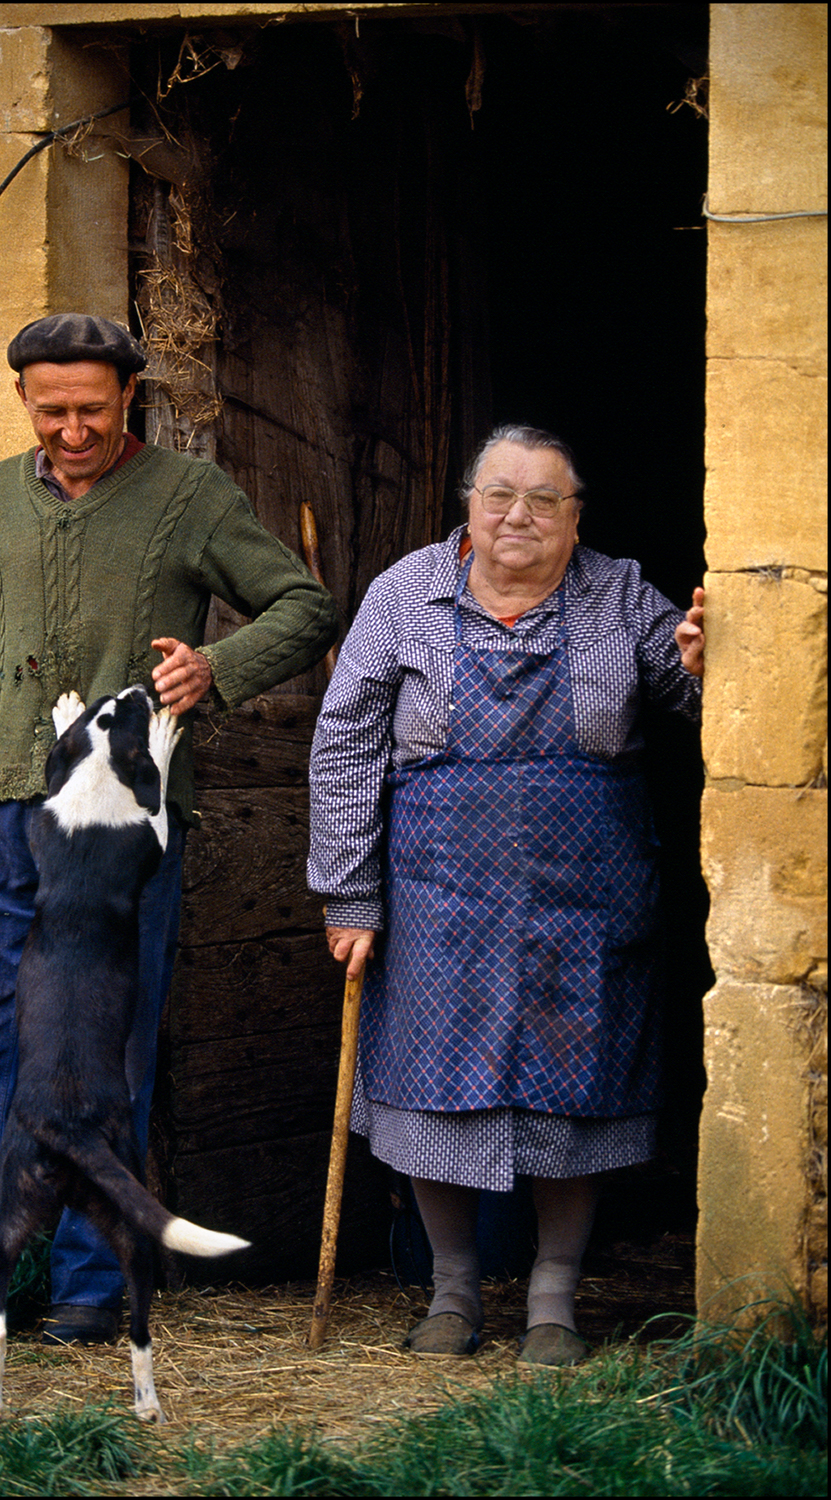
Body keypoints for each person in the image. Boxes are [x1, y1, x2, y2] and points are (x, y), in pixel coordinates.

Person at [0, 313, 339, 1350]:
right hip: (8, 818)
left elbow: (301, 605)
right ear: (26, 401)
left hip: (123, 831)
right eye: (52, 409)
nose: (73, 430)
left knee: (105, 1053)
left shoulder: (189, 497)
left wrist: (214, 673)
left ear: (130, 399)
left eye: (93, 409)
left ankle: (87, 1286)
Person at [308, 422, 705, 1365]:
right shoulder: (404, 594)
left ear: (576, 518)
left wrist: (696, 665)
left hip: (589, 896)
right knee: (433, 1089)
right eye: (498, 496)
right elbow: (346, 744)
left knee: (577, 1095)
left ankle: (553, 1303)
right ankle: (452, 1296)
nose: (517, 516)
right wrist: (348, 894)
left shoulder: (619, 594)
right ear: (469, 506)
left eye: (543, 500)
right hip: (438, 899)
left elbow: (697, 706)